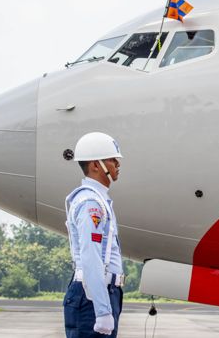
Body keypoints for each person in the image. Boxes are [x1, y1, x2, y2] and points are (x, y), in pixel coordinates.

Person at [64, 132, 125, 337]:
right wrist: (102, 309)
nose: (117, 164)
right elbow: (91, 257)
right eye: (111, 159)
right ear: (96, 165)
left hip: (100, 293)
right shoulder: (91, 203)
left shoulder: (98, 200)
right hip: (92, 296)